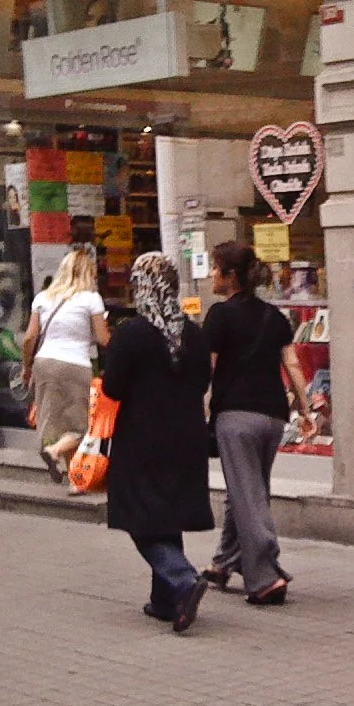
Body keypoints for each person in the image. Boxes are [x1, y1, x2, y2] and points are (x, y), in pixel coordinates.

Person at [102, 252, 215, 634]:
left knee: (138, 512)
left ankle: (182, 578)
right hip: (186, 436)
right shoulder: (193, 334)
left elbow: (113, 386)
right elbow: (202, 382)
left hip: (142, 436)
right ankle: (166, 601)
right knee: (166, 512)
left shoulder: (132, 334)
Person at [200, 241, 315, 607]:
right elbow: (292, 364)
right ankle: (223, 562)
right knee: (246, 489)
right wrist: (306, 409)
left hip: (236, 417)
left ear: (230, 276)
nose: (210, 275)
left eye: (215, 269)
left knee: (248, 495)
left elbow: (208, 369)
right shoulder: (274, 316)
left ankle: (265, 578)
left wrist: (196, 409)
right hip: (272, 417)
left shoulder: (220, 315)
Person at [22, 247, 109, 485]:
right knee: (82, 425)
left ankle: (75, 480)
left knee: (57, 421)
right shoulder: (91, 299)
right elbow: (103, 339)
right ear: (87, 273)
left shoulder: (42, 298)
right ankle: (55, 451)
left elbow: (29, 337)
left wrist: (26, 365)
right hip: (75, 364)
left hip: (44, 363)